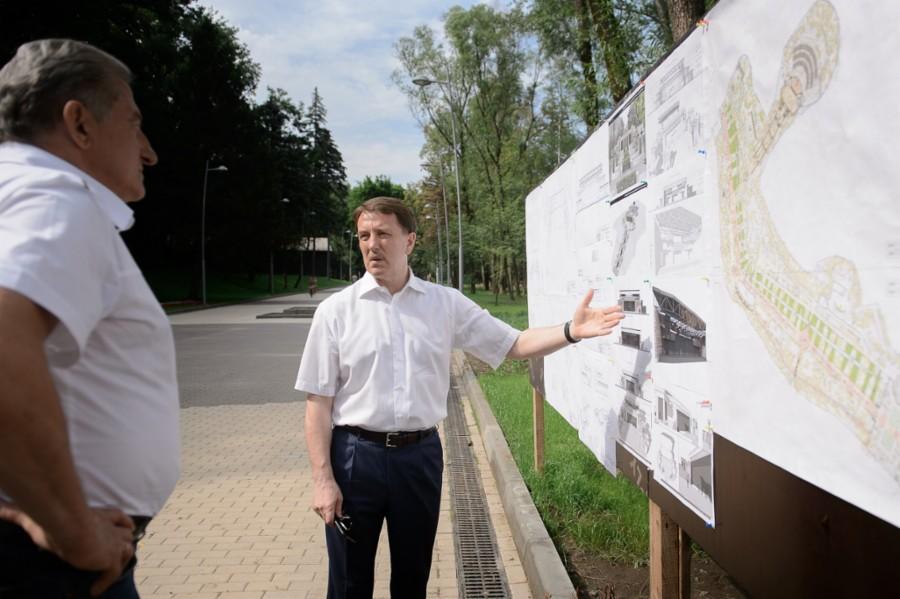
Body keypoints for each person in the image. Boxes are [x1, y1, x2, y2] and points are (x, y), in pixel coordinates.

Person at [295, 196, 624, 598]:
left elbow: (513, 343)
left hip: (418, 458)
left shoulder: (443, 304)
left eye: (383, 234)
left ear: (410, 240)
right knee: (348, 583)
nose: (372, 244)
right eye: (364, 236)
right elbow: (318, 403)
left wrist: (570, 331)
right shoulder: (335, 312)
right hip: (354, 459)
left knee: (413, 578)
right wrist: (323, 480)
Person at [0, 40, 179, 598]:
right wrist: (73, 531)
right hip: (57, 568)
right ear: (79, 123)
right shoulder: (56, 199)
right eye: (135, 124)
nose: (149, 152)